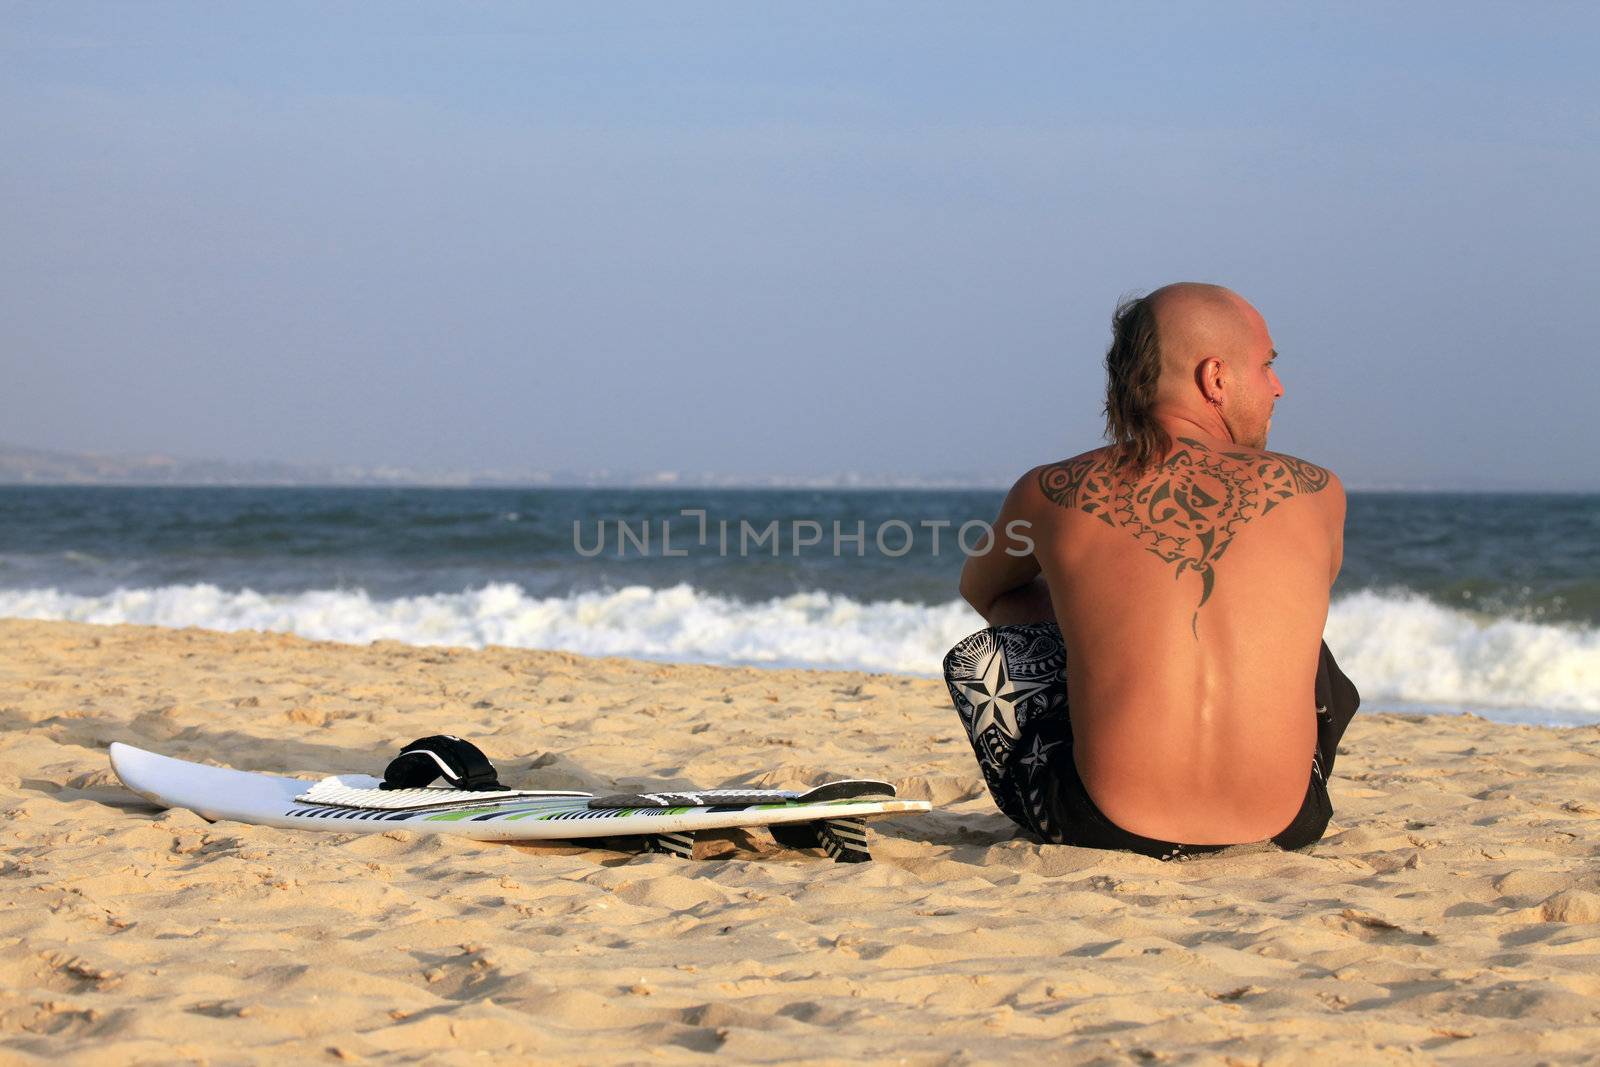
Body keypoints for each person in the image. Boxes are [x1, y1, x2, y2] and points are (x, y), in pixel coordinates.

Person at [948, 283, 1359, 860]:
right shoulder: (1318, 491)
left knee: (991, 650)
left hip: (1099, 826)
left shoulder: (1048, 491)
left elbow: (983, 591)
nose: (1278, 385)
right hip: (1289, 824)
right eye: (1267, 365)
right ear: (1215, 378)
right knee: (1302, 644)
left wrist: (1090, 624)